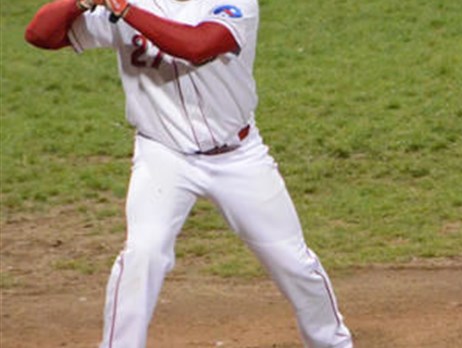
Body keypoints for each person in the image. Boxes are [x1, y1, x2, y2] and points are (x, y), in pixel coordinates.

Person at [25, 0, 354, 347]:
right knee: (143, 254)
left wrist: (125, 11)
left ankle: (332, 343)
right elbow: (40, 35)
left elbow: (196, 46)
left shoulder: (234, 3)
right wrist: (80, 2)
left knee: (293, 262)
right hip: (163, 156)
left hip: (238, 157)